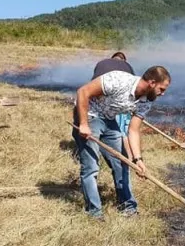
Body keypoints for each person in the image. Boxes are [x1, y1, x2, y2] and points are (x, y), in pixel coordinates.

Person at [72, 65, 171, 220]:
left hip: (110, 120)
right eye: (162, 89)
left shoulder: (146, 101)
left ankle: (128, 207)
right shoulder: (118, 79)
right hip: (89, 115)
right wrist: (83, 123)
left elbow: (133, 130)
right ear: (152, 83)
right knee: (91, 166)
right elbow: (83, 92)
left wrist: (138, 159)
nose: (163, 94)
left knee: (122, 162)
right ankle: (94, 213)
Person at [90, 52, 136, 193]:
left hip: (98, 106)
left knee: (118, 134)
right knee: (123, 132)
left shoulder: (102, 64)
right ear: (124, 60)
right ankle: (126, 159)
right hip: (113, 106)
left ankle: (121, 158)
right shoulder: (128, 67)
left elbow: (92, 86)